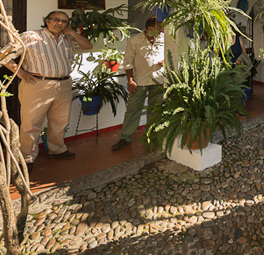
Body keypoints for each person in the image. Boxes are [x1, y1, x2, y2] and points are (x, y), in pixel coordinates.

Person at [4, 11, 93, 170]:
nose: (59, 23)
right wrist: (20, 72)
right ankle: (26, 158)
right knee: (31, 124)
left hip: (63, 85)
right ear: (46, 21)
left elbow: (88, 46)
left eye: (64, 21)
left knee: (59, 121)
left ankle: (57, 149)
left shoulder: (68, 39)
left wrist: (72, 33)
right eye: (55, 19)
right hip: (38, 85)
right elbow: (3, 54)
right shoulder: (30, 36)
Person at [111, 17, 164, 150]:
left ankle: (152, 135)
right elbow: (128, 62)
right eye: (159, 27)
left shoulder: (164, 38)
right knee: (133, 109)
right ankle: (125, 137)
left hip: (159, 79)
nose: (162, 29)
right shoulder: (134, 41)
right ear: (150, 29)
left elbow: (170, 54)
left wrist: (165, 62)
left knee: (155, 109)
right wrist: (130, 81)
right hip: (140, 81)